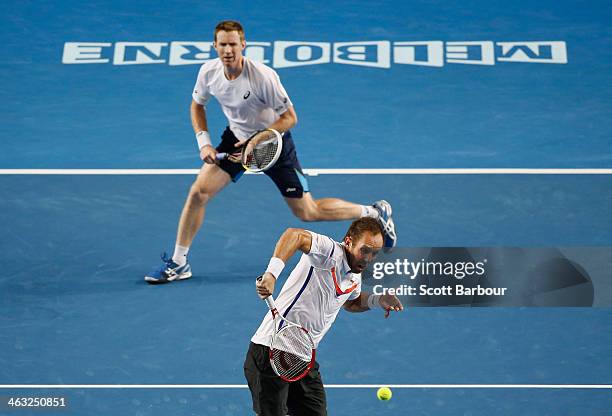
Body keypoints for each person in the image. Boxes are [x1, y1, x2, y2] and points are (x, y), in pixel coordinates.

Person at [145, 20, 396, 284]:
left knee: (307, 212)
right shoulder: (209, 73)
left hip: (274, 145)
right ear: (214, 46)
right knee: (198, 192)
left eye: (233, 44)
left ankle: (373, 213)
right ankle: (179, 262)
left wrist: (260, 138)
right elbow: (197, 105)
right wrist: (204, 142)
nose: (228, 49)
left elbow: (290, 117)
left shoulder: (263, 77)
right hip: (237, 142)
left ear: (243, 44)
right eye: (222, 44)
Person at [245, 217, 404, 415]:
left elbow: (351, 302)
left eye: (374, 253)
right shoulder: (328, 252)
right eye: (365, 250)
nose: (368, 258)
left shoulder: (354, 276)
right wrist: (271, 274)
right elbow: (294, 235)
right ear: (348, 242)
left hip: (302, 357)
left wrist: (377, 300)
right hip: (270, 350)